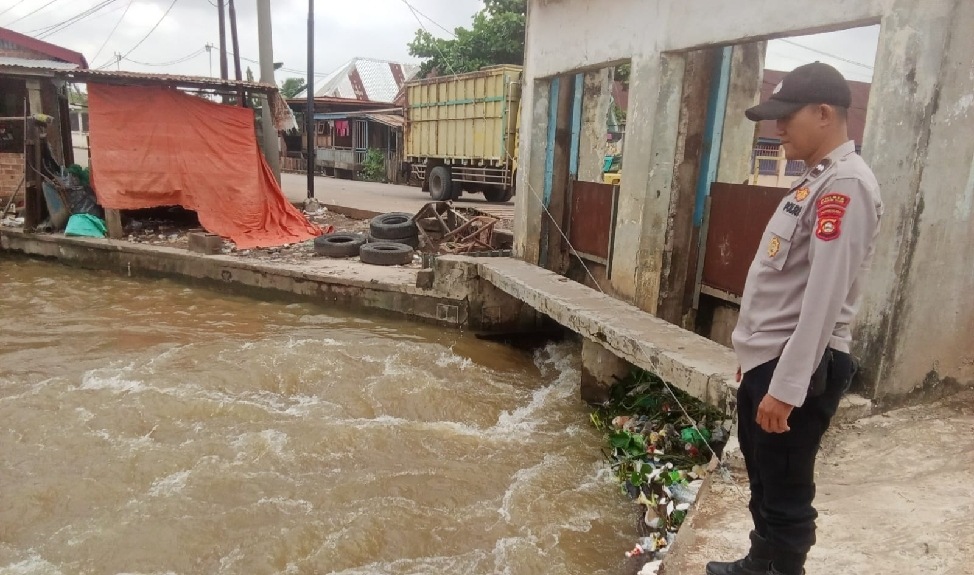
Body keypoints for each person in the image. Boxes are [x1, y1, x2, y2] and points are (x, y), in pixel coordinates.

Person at [706, 62, 884, 575]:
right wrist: (755, 358)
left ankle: (780, 570)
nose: (777, 129)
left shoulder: (844, 185)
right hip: (772, 356)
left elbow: (824, 297)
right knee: (763, 475)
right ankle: (760, 564)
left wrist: (787, 384)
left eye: (787, 117)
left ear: (824, 113)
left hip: (797, 363)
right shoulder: (817, 180)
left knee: (786, 487)